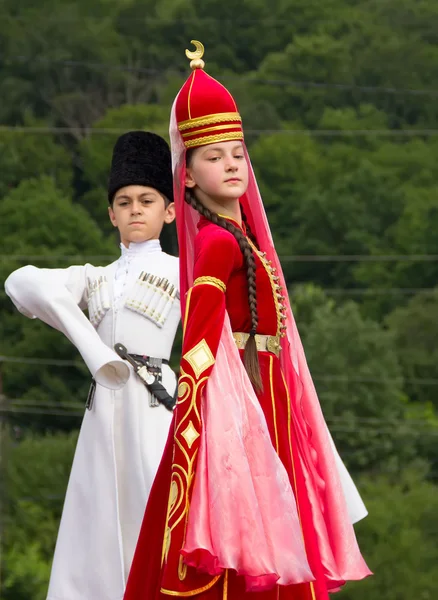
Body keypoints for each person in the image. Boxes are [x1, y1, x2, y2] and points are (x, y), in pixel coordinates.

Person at [124, 43, 371, 600]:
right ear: (185, 177)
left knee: (275, 511)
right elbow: (200, 341)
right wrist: (200, 424)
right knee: (251, 518)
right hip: (241, 403)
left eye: (238, 152)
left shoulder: (244, 238)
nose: (232, 164)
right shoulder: (215, 243)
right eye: (214, 156)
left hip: (269, 394)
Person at [5, 131, 181, 600]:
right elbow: (20, 283)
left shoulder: (183, 270)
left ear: (169, 210)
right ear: (110, 214)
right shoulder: (93, 277)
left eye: (147, 199)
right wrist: (93, 348)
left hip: (156, 402)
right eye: (123, 201)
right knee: (98, 515)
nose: (135, 209)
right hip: (103, 404)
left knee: (155, 508)